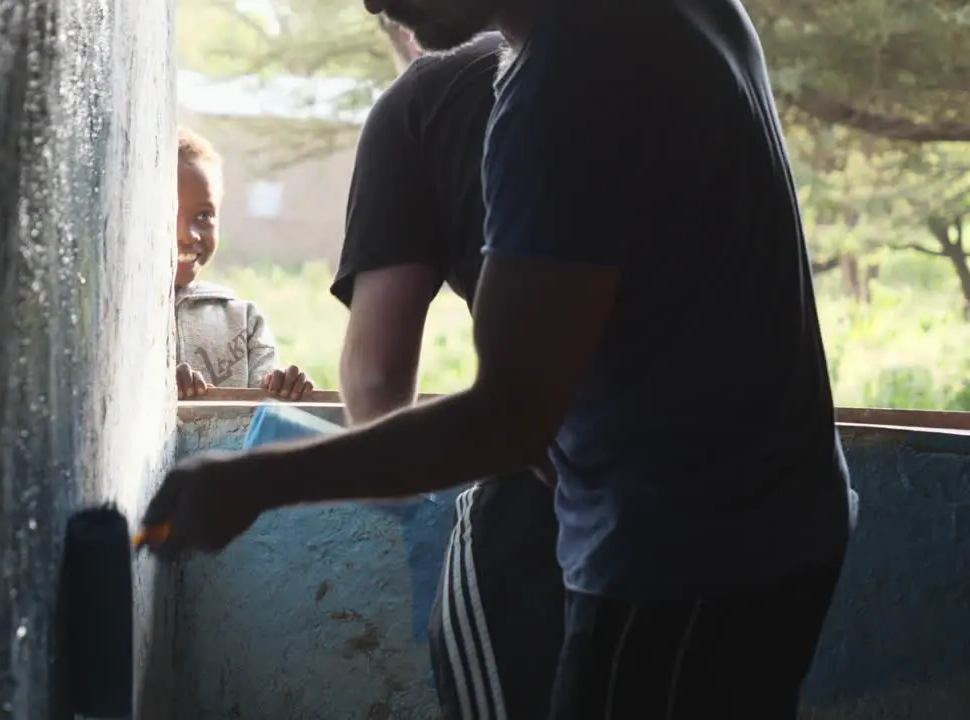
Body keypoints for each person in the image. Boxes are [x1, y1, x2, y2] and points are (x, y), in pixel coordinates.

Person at [147, 0, 858, 717]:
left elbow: (503, 415)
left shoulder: (567, 83)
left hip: (681, 551)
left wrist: (252, 482)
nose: (369, 1)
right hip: (795, 519)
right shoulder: (672, 17)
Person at [332, 32, 562, 720]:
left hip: (583, 508)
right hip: (785, 510)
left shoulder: (423, 101)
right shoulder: (675, 46)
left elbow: (376, 384)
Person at [173, 127, 313, 401]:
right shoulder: (116, 320)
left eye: (204, 215)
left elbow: (263, 415)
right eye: (170, 211)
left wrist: (285, 391)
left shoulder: (242, 319)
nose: (188, 235)